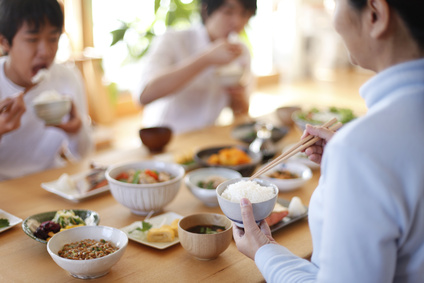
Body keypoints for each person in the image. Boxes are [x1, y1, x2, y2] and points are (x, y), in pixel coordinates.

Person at [233, 0, 424, 282]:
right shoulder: (362, 146)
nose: (334, 19)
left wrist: (263, 250)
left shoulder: (361, 150)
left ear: (375, 14)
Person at [0, 0, 93, 181]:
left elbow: (84, 153)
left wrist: (76, 131)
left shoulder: (67, 78)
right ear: (4, 42)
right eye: (32, 39)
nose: (46, 51)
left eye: (53, 38)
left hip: (50, 181)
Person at [137, 0, 257, 134]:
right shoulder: (174, 39)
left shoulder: (240, 51)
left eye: (245, 14)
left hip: (206, 137)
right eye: (228, 12)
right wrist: (207, 58)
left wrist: (238, 96)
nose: (237, 22)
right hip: (165, 138)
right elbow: (144, 95)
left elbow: (242, 111)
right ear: (206, 10)